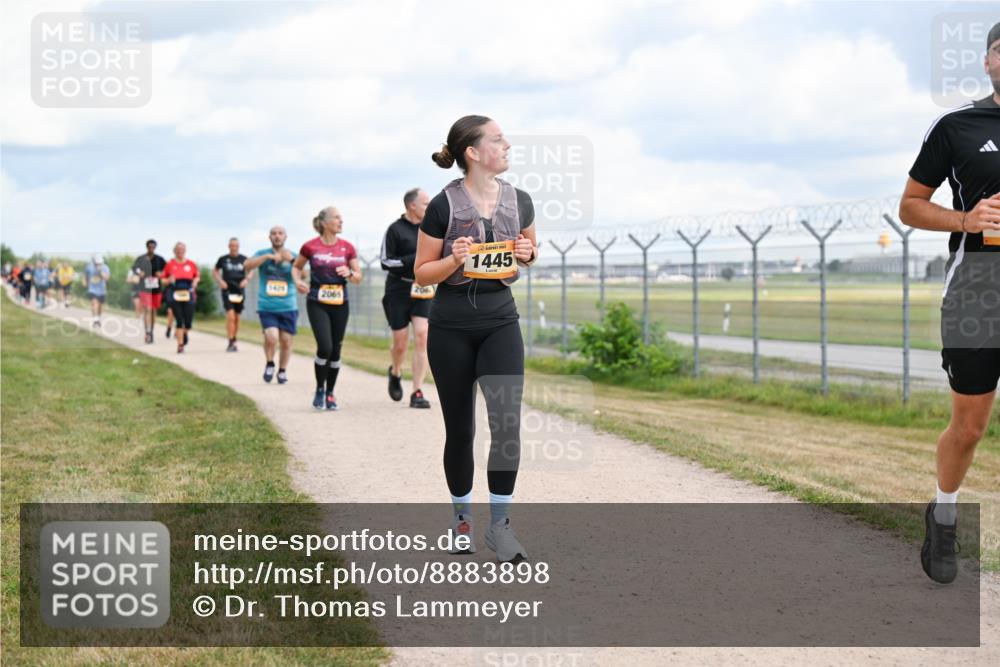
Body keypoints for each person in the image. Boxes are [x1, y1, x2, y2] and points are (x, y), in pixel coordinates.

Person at [899, 22, 1000, 584]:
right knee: (969, 427)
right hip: (977, 295)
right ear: (986, 61)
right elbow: (911, 205)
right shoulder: (957, 126)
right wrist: (967, 219)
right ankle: (943, 515)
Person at [414, 115, 538, 562]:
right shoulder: (442, 206)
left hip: (500, 322)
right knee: (461, 429)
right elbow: (422, 273)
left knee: (506, 427)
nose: (507, 145)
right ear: (473, 152)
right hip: (451, 328)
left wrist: (528, 253)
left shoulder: (520, 200)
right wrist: (453, 260)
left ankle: (500, 527)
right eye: (498, 139)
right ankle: (462, 522)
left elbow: (529, 253)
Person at [293, 207, 361, 411]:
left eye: (341, 218)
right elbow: (296, 267)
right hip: (317, 301)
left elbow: (358, 276)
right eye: (337, 218)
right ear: (324, 223)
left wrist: (350, 273)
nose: (341, 221)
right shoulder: (310, 246)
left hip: (340, 303)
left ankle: (330, 393)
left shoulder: (347, 247)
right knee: (325, 347)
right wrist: (298, 281)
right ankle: (319, 389)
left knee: (336, 350)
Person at [380, 188, 433, 408]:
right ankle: (395, 371)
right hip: (398, 290)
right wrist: (414, 259)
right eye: (425, 203)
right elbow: (386, 261)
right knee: (400, 343)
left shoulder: (431, 228)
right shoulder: (395, 229)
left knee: (422, 336)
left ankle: (417, 391)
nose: (429, 207)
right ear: (412, 205)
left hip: (423, 288)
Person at [245, 226, 298, 384]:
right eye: (274, 233)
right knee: (271, 337)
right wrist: (266, 257)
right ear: (269, 237)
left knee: (286, 341)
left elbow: (304, 274)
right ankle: (269, 363)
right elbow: (247, 265)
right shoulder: (262, 253)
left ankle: (282, 371)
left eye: (280, 233)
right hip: (267, 305)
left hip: (288, 305)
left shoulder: (293, 255)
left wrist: (291, 260)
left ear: (285, 237)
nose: (277, 236)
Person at [213, 237, 252, 352]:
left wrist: (247, 279)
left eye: (236, 245)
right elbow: (215, 271)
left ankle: (234, 338)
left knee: (237, 317)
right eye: (232, 245)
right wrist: (220, 281)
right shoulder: (223, 259)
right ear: (229, 246)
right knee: (231, 316)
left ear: (238, 246)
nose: (234, 247)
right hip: (227, 290)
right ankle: (230, 341)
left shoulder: (244, 259)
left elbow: (252, 270)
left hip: (239, 290)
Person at [162, 242, 200, 354]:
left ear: (185, 251)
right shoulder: (170, 264)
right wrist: (169, 280)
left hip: (188, 293)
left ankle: (184, 332)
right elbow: (163, 280)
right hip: (174, 293)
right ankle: (180, 345)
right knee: (179, 320)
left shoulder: (191, 264)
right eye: (178, 249)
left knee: (188, 322)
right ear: (174, 251)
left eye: (182, 249)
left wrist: (195, 282)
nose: (180, 251)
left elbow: (197, 276)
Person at [132, 239, 167, 344]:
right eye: (149, 247)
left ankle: (151, 331)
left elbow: (166, 270)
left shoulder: (160, 259)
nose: (151, 248)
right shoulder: (141, 258)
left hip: (156, 288)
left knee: (153, 310)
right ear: (147, 247)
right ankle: (147, 332)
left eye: (153, 247)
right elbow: (135, 268)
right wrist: (139, 273)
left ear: (155, 247)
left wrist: (161, 274)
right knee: (147, 309)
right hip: (145, 288)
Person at [84, 255, 111, 328]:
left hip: (102, 290)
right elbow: (86, 275)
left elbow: (106, 278)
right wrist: (85, 282)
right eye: (96, 264)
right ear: (94, 262)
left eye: (99, 264)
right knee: (94, 303)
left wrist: (100, 271)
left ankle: (98, 318)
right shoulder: (89, 267)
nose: (98, 265)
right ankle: (95, 320)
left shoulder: (105, 268)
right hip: (92, 289)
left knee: (100, 307)